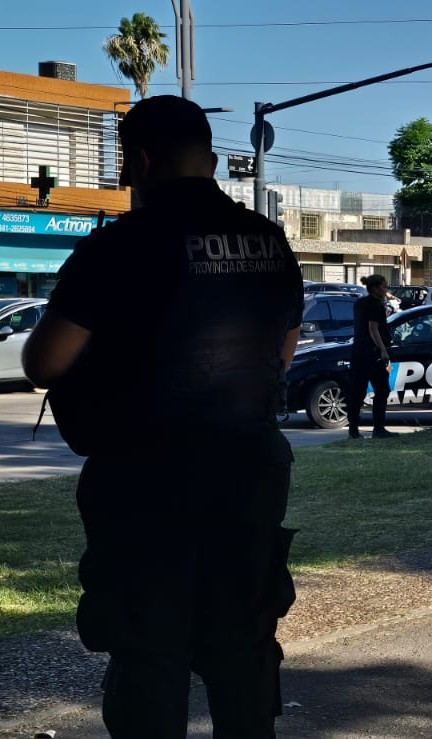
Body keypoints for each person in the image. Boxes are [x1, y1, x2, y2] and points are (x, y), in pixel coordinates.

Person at [21, 95, 303, 736]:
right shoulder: (269, 240)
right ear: (206, 157)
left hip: (146, 482)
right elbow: (280, 354)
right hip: (250, 473)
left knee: (150, 651)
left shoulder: (119, 245)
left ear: (140, 160)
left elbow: (44, 362)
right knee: (243, 645)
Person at [346, 273, 398, 439]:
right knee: (382, 390)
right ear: (375, 288)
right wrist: (383, 350)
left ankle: (353, 430)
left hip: (358, 351)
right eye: (384, 287)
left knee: (357, 392)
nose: (386, 290)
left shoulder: (360, 303)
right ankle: (379, 428)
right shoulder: (376, 305)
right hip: (372, 354)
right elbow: (373, 328)